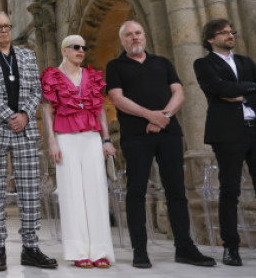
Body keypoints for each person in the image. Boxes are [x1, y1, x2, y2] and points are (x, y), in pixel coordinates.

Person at [106, 20, 214, 268]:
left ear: (144, 36)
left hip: (169, 134)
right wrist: (149, 115)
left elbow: (179, 92)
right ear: (122, 40)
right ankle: (140, 250)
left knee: (176, 190)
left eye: (138, 33)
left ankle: (185, 247)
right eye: (129, 35)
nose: (135, 37)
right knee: (136, 192)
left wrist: (163, 117)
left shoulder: (162, 63)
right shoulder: (115, 66)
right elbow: (118, 99)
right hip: (136, 137)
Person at [0, 11, 57, 272]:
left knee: (30, 190)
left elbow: (36, 90)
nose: (4, 31)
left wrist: (24, 115)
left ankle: (30, 247)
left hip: (25, 130)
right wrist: (10, 116)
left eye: (7, 26)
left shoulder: (28, 56)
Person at [41, 34, 115, 268]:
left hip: (92, 137)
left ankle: (100, 252)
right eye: (76, 47)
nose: (81, 51)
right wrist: (51, 141)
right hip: (65, 138)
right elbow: (47, 111)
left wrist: (106, 139)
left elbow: (101, 110)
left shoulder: (92, 76)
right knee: (71, 193)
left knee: (97, 192)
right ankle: (79, 251)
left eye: (84, 47)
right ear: (64, 50)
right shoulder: (52, 76)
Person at [193, 18, 256, 266]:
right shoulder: (203, 64)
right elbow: (218, 88)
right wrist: (247, 89)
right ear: (211, 39)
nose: (230, 36)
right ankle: (231, 247)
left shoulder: (245, 62)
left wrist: (240, 92)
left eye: (232, 32)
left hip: (254, 127)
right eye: (224, 33)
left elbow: (230, 91)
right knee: (230, 190)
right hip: (228, 133)